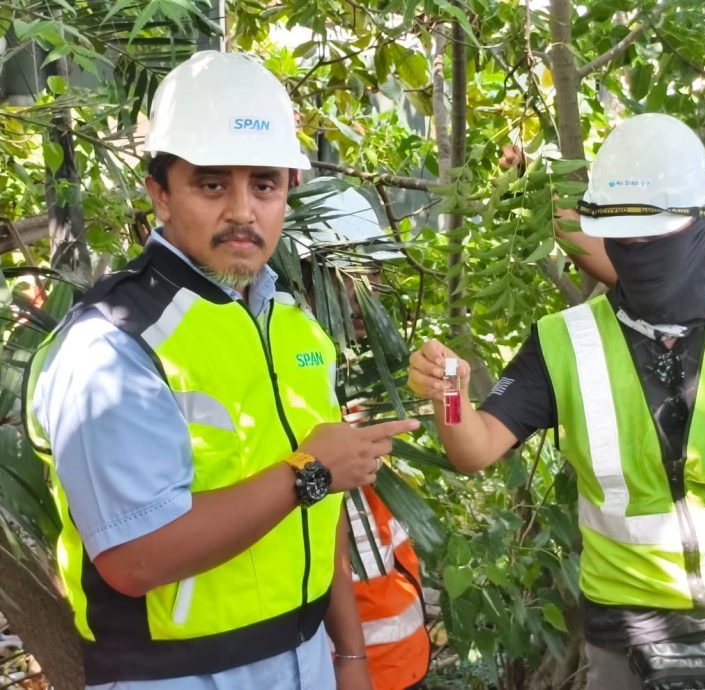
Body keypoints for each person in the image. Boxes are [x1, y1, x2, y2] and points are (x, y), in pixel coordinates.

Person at [23, 50, 418, 690]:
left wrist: (350, 656)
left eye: (263, 184)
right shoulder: (114, 344)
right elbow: (134, 558)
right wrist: (311, 472)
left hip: (308, 657)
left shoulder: (292, 325)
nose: (242, 210)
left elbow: (322, 507)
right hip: (174, 677)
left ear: (288, 190)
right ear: (160, 193)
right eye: (212, 184)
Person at [409, 113, 705, 690]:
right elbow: (474, 449)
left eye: (654, 234)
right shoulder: (566, 343)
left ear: (700, 224)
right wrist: (450, 396)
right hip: (628, 635)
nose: (639, 250)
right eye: (625, 236)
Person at [299, 179, 432, 690]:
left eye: (370, 272)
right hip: (344, 664)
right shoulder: (293, 370)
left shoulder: (349, 369)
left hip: (398, 652)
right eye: (344, 273)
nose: (363, 292)